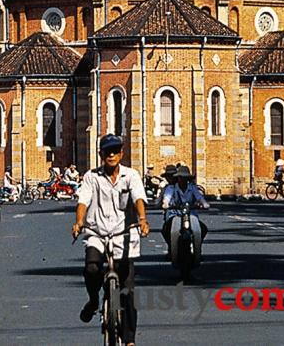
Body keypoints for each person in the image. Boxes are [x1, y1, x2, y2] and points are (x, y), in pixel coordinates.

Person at [71, 134, 149, 346]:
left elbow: (138, 198)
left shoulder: (131, 176)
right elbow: (83, 201)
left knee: (127, 291)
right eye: (107, 151)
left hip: (124, 235)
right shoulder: (91, 177)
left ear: (122, 153)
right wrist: (79, 222)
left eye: (115, 150)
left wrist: (142, 220)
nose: (111, 155)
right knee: (92, 268)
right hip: (97, 232)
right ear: (101, 155)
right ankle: (94, 300)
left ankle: (130, 340)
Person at [161, 166, 209, 259]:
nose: (182, 180)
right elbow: (167, 197)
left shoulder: (192, 188)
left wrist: (204, 203)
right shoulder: (172, 188)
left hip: (190, 214)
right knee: (166, 229)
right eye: (180, 177)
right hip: (175, 214)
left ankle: (197, 248)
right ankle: (172, 248)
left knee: (203, 229)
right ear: (177, 178)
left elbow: (199, 197)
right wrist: (166, 203)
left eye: (184, 178)